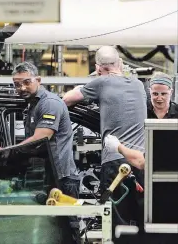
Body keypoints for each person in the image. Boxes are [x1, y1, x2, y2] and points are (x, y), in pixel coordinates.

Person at [62, 46, 146, 228]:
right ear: (121, 64)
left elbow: (65, 101)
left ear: (98, 68)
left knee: (117, 224)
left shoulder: (101, 83)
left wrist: (81, 88)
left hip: (116, 164)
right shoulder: (139, 85)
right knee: (140, 220)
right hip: (141, 163)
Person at [0, 61, 80, 198]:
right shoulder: (32, 106)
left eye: (27, 82)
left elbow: (40, 138)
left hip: (62, 178)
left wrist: (3, 152)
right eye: (17, 85)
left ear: (38, 80)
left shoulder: (49, 103)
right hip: (48, 175)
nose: (22, 88)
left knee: (66, 219)